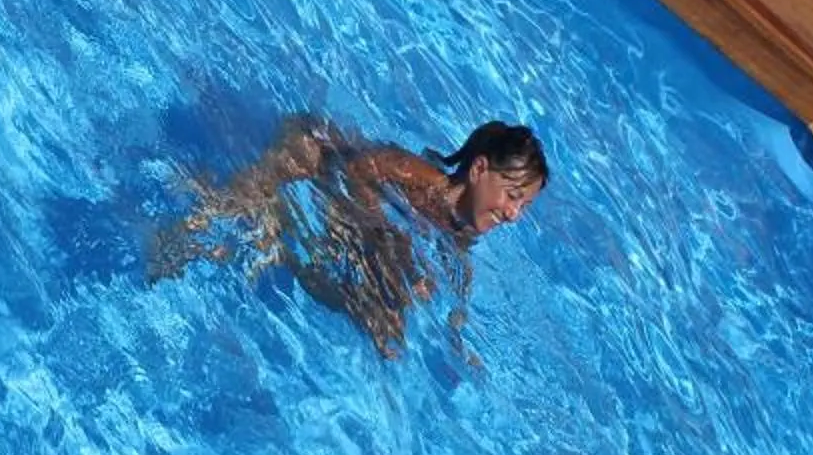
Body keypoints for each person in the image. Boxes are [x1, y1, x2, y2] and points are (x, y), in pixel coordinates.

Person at [150, 116, 548, 359]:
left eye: (525, 207)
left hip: (340, 205)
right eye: (513, 197)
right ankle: (189, 230)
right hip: (314, 149)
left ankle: (278, 245)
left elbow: (454, 285)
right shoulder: (420, 177)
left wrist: (454, 335)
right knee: (277, 175)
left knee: (385, 323)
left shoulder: (459, 238)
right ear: (478, 170)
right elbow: (359, 169)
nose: (514, 214)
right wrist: (378, 235)